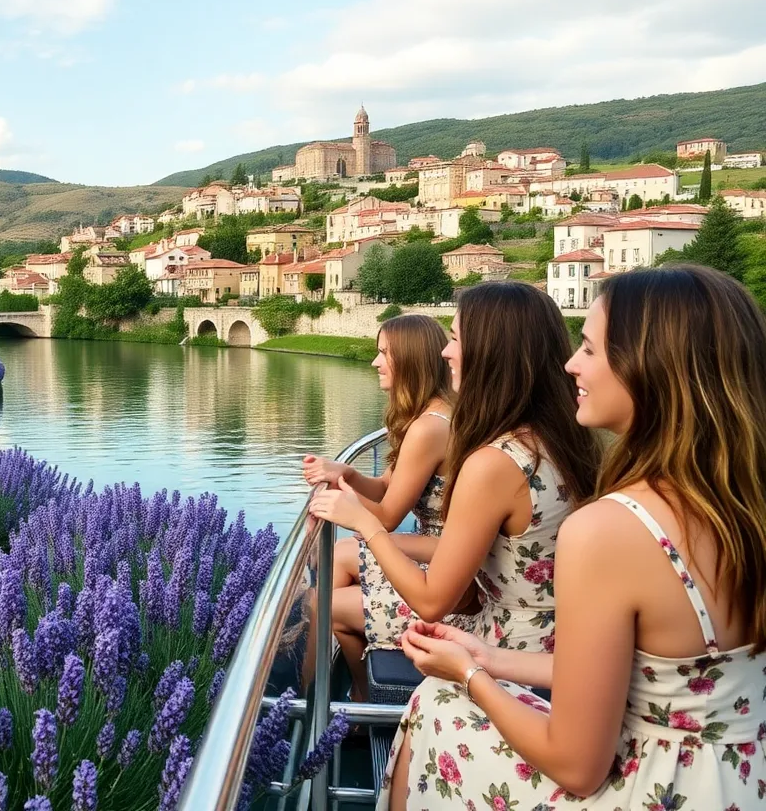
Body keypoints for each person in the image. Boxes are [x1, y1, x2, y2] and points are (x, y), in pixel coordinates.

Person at [379, 266, 766, 810]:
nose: (570, 364)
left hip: (656, 788)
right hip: (740, 780)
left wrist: (467, 675)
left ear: (650, 369)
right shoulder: (740, 506)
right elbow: (658, 671)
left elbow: (578, 767)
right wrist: (490, 657)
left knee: (436, 705)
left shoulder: (612, 528)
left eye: (588, 348)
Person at [309, 283, 600, 654]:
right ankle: (352, 693)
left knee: (319, 599)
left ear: (490, 353)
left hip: (509, 645)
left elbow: (432, 601)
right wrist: (349, 480)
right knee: (340, 569)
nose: (445, 352)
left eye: (456, 339)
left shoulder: (496, 461)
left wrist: (363, 522)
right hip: (552, 635)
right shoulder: (554, 438)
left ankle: (322, 704)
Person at [301, 314, 472, 694]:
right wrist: (344, 473)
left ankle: (311, 702)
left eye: (383, 354)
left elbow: (387, 517)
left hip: (445, 570)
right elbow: (383, 488)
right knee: (331, 560)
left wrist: (341, 499)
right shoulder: (433, 412)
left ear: (409, 361)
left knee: (318, 600)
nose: (375, 362)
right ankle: (355, 695)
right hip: (438, 555)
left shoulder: (430, 426)